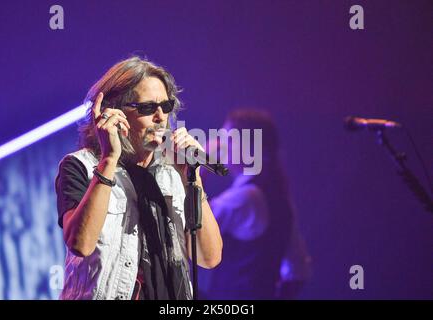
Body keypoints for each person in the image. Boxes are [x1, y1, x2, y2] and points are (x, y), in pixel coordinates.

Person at [54, 56, 222, 300]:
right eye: (147, 108)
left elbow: (210, 257)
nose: (160, 116)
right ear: (115, 113)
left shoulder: (174, 173)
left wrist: (191, 177)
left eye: (165, 106)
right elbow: (81, 243)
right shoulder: (81, 166)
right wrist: (109, 160)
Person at [200, 109, 310, 299]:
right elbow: (298, 270)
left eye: (229, 140)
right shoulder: (279, 197)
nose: (220, 147)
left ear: (250, 148)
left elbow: (189, 232)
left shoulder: (244, 198)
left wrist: (199, 167)